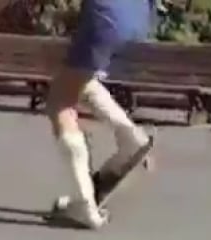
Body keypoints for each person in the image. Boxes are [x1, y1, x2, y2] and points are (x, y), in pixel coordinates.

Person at [45, 0, 155, 229]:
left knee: (60, 101)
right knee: (79, 79)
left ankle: (85, 206)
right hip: (137, 17)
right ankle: (130, 137)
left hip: (105, 14)